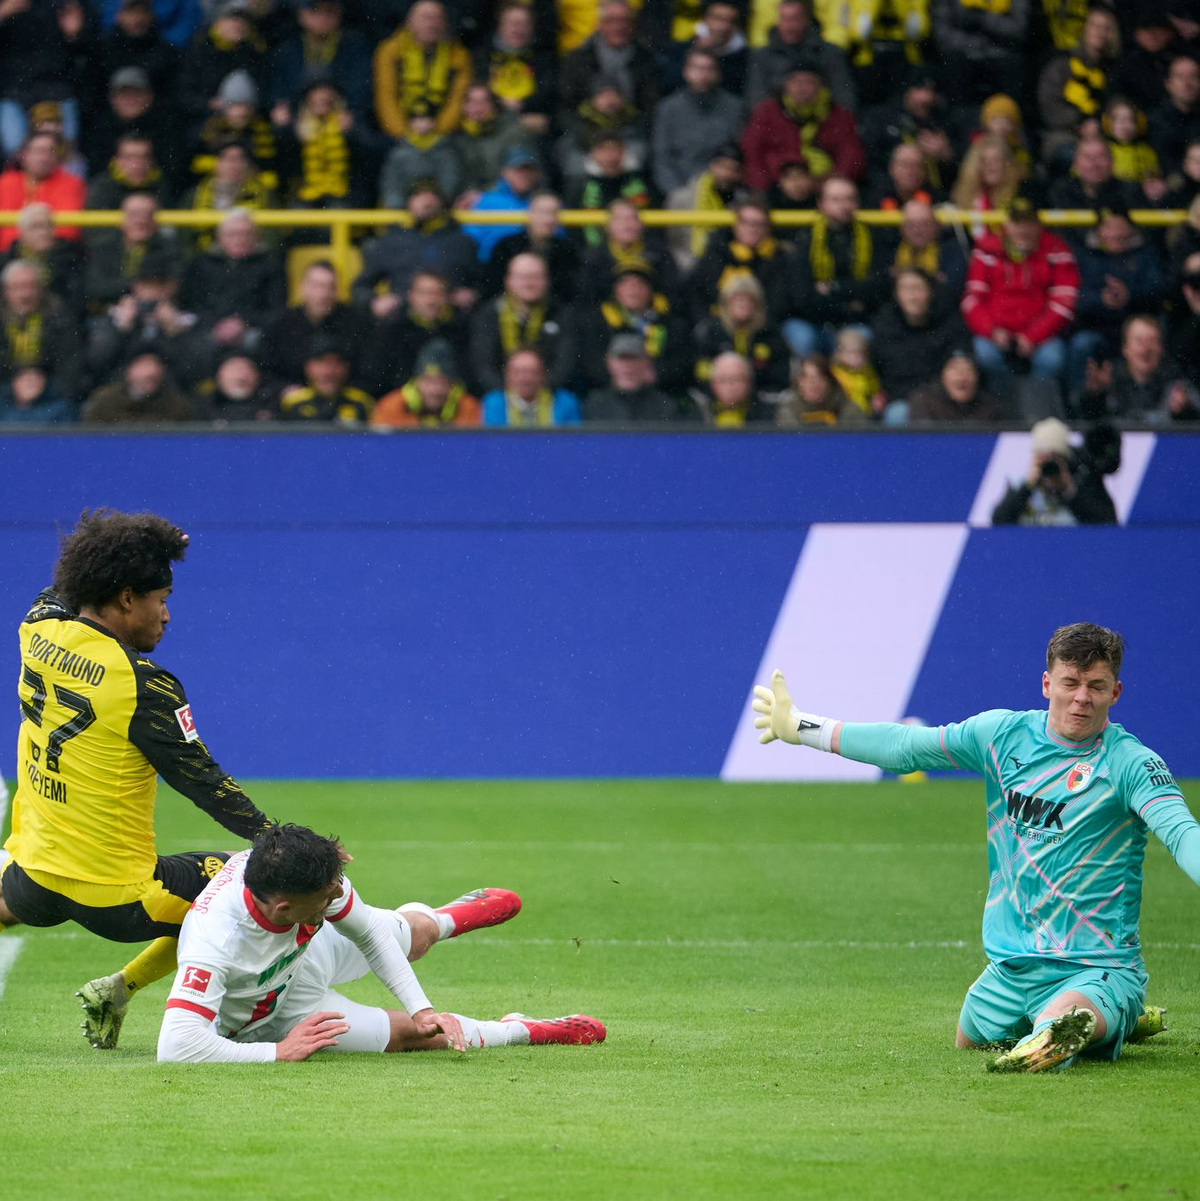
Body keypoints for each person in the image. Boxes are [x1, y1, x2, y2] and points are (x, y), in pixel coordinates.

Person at [751, 621, 1194, 1072]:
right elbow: (907, 747)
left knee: (1059, 1024)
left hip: (1093, 963)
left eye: (1096, 686)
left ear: (1115, 692)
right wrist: (802, 727)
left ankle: (1104, 1007)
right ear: (1047, 684)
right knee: (970, 1040)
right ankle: (1117, 1021)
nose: (1082, 697)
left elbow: (1181, 833)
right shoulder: (1001, 737)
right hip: (1011, 967)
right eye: (1071, 683)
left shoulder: (1132, 764)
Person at [0, 510, 276, 1050]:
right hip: (120, 901)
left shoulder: (36, 626)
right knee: (252, 895)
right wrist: (279, 840)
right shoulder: (142, 684)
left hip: (30, 878)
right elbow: (203, 781)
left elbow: (64, 586)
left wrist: (145, 547)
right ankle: (122, 989)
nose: (167, 616)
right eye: (162, 598)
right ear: (127, 597)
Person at [157, 823, 605, 1062]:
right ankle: (526, 1029)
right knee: (419, 1039)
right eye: (327, 894)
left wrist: (421, 1005)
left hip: (308, 951)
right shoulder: (216, 942)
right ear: (282, 908)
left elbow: (368, 933)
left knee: (408, 939)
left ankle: (440, 921)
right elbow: (177, 1045)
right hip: (273, 1021)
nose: (338, 893)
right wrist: (277, 1052)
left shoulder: (305, 877)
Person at [961, 197, 1078, 398]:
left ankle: (1037, 411)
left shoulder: (1056, 249)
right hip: (996, 333)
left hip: (1040, 336)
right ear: (1006, 224)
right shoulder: (986, 249)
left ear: (1038, 224)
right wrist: (992, 331)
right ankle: (1006, 411)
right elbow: (972, 300)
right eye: (1017, 223)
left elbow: (1064, 304)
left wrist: (1032, 336)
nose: (1023, 229)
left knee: (1051, 359)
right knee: (985, 354)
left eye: (1029, 223)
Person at [990, 416, 1117, 526]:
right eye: (1042, 458)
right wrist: (1028, 487)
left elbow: (1107, 524)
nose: (1047, 464)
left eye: (1053, 458)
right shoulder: (1019, 485)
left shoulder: (1083, 482)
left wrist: (1069, 491)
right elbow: (999, 522)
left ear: (1064, 460)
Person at [81, 351, 196, 423]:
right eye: (145, 365)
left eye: (157, 365)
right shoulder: (105, 400)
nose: (153, 372)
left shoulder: (176, 404)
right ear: (129, 371)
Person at [481, 348, 582, 426]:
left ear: (543, 375)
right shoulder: (494, 402)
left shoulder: (564, 402)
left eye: (532, 372)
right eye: (518, 372)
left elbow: (572, 443)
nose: (526, 379)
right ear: (507, 376)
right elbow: (495, 443)